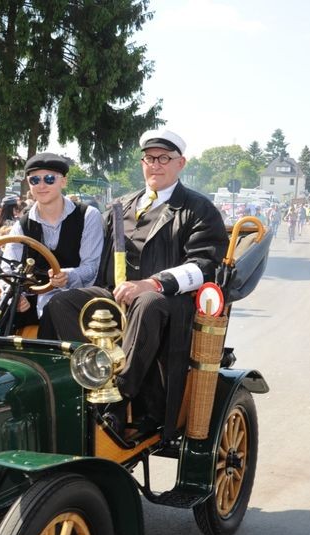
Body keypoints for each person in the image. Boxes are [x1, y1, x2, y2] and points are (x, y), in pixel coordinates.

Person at [38, 128, 229, 441]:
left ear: (181, 163)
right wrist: (66, 277)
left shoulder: (198, 209)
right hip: (116, 294)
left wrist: (153, 284)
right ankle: (87, 376)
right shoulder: (120, 206)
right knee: (63, 302)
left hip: (169, 303)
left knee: (147, 303)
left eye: (163, 158)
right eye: (149, 158)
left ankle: (116, 395)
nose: (155, 164)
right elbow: (95, 260)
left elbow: (204, 267)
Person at [0, 152, 103, 322]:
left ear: (63, 181)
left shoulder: (88, 216)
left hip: (74, 300)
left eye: (49, 179)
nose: (41, 185)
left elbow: (91, 267)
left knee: (55, 309)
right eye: (34, 180)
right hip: (32, 299)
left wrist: (68, 276)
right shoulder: (22, 225)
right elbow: (7, 269)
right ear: (29, 184)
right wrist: (14, 295)